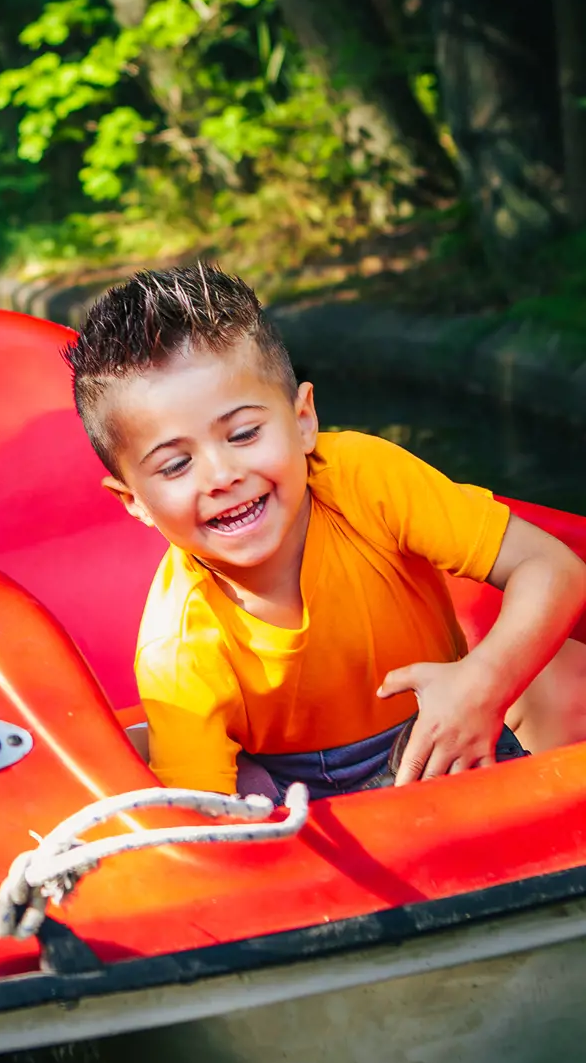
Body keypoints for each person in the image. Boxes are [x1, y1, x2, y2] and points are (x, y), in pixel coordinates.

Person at [65, 264, 586, 799]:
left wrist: (483, 683)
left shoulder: (366, 479)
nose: (222, 476)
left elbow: (555, 566)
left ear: (304, 420)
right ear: (136, 502)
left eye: (244, 434)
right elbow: (200, 834)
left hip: (452, 726)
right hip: (298, 799)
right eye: (175, 466)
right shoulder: (177, 651)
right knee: (191, 777)